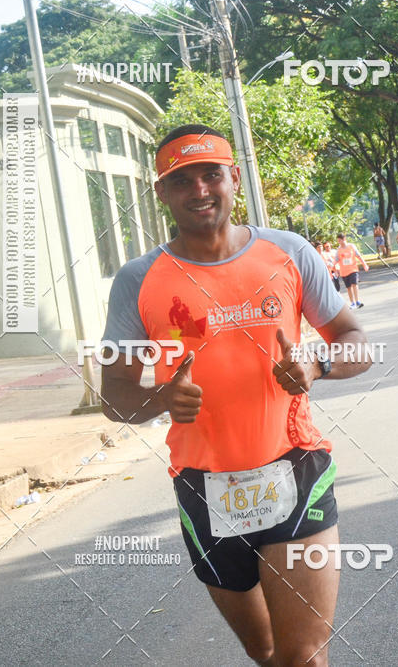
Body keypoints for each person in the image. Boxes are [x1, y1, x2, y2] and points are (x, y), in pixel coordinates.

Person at [100, 124, 372, 667]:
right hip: (203, 488)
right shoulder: (137, 279)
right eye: (182, 180)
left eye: (211, 175)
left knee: (300, 653)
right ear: (162, 193)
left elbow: (357, 341)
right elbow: (114, 396)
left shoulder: (288, 253)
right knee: (266, 652)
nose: (199, 189)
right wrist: (161, 401)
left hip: (295, 469)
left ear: (234, 179)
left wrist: (317, 364)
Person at [333, 233, 369, 309]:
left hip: (353, 269)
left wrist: (364, 264)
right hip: (344, 271)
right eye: (338, 241)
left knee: (354, 284)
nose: (339, 242)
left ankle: (357, 301)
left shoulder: (351, 246)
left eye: (340, 240)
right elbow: (335, 261)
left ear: (344, 239)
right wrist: (334, 270)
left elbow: (358, 256)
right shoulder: (339, 250)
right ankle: (352, 303)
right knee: (348, 287)